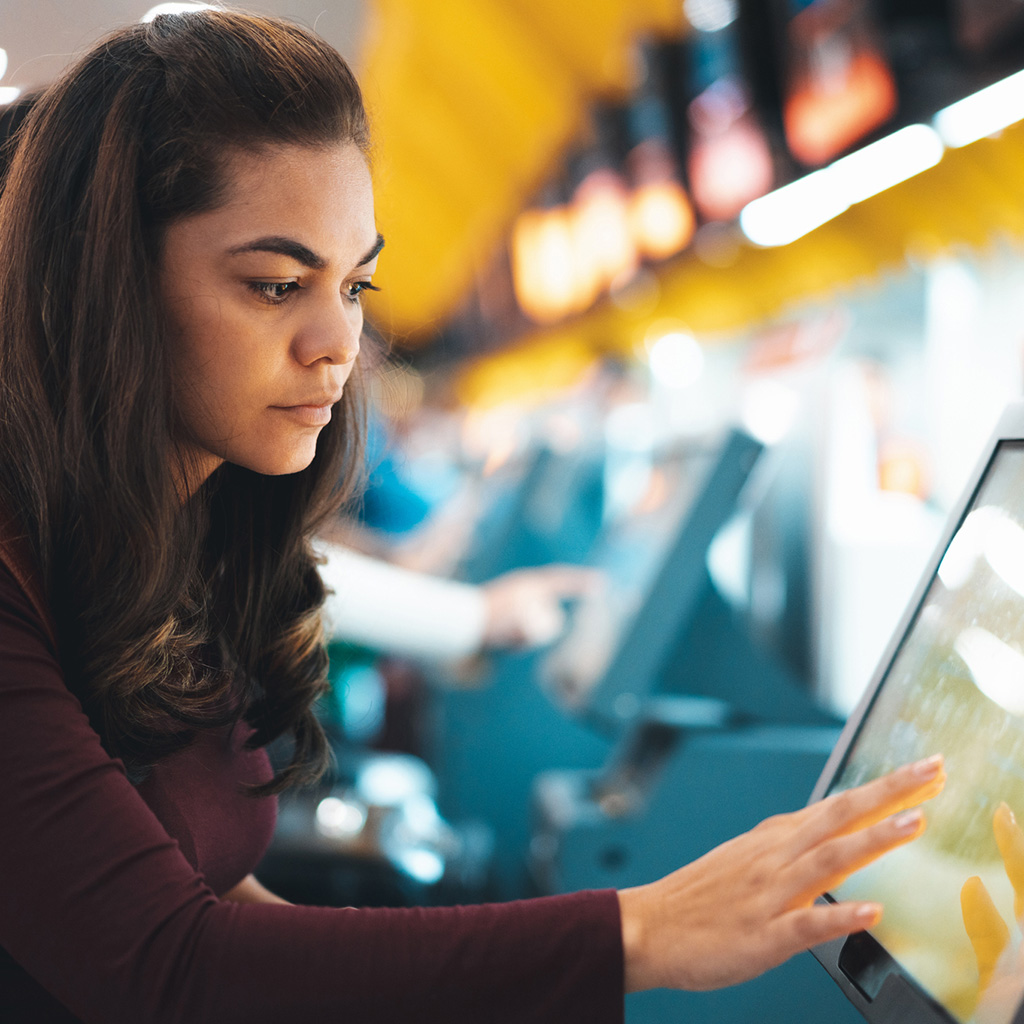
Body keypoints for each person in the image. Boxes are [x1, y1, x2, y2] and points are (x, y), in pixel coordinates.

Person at [0, 10, 947, 1023]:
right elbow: (173, 964)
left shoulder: (183, 555)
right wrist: (642, 930)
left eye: (353, 283)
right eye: (276, 285)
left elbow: (221, 895)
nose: (338, 342)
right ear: (108, 290)